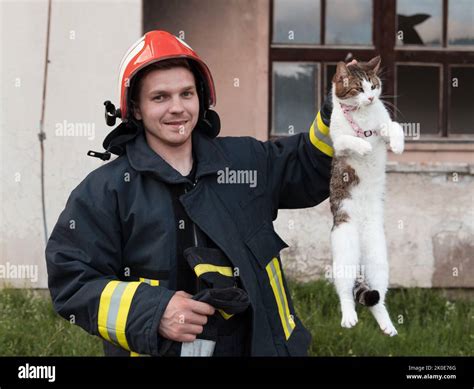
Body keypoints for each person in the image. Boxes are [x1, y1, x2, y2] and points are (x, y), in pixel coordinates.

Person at [45, 30, 336, 357]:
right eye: (160, 97)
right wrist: (154, 312)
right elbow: (72, 281)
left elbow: (308, 165)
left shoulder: (246, 161)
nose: (177, 108)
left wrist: (336, 113)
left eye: (186, 94)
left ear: (201, 98)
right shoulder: (106, 191)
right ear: (136, 109)